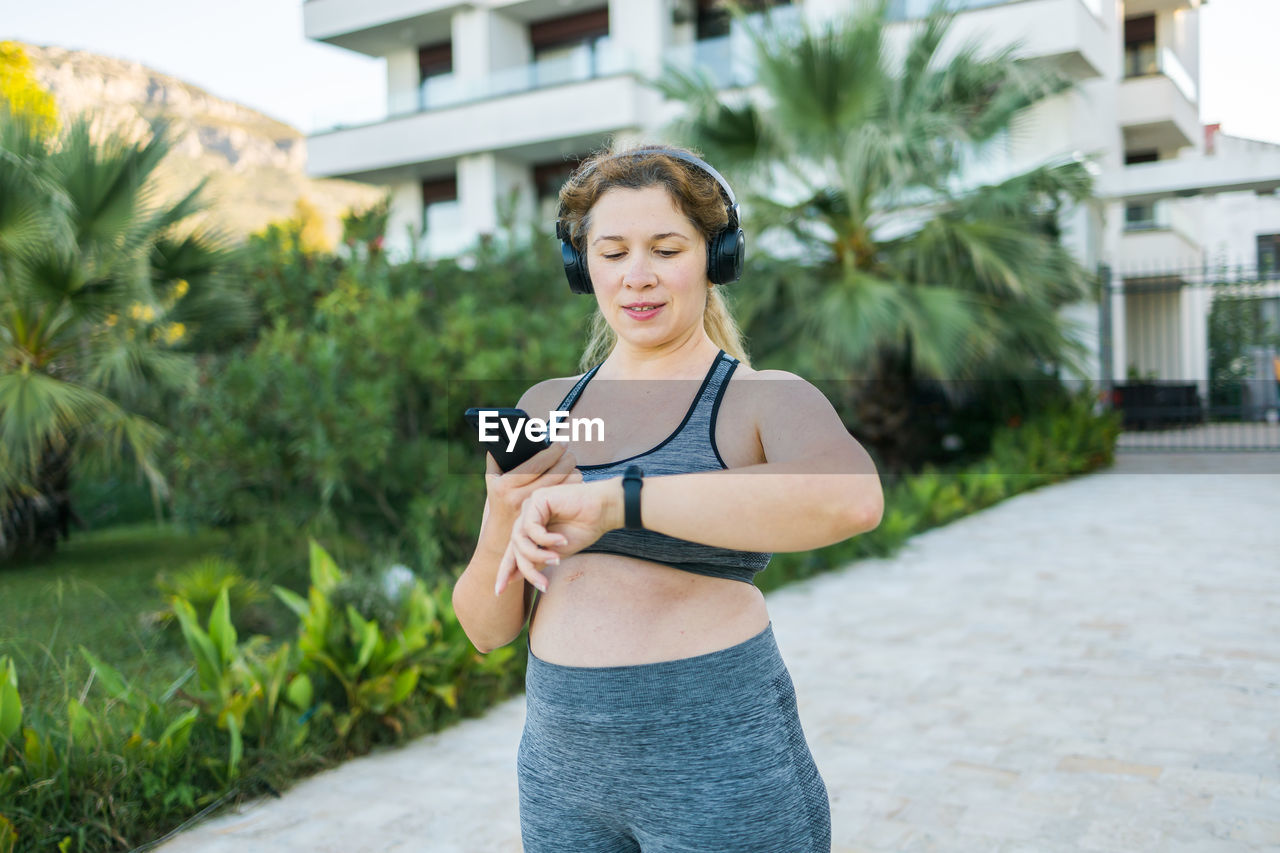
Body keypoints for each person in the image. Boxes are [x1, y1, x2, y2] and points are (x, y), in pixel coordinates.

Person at [452, 143, 883, 852]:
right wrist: (504, 517)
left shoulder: (758, 397)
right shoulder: (548, 407)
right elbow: (485, 629)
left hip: (718, 763)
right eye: (612, 252)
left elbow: (854, 498)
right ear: (580, 266)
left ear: (716, 257)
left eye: (666, 248)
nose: (638, 277)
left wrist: (618, 500)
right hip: (564, 773)